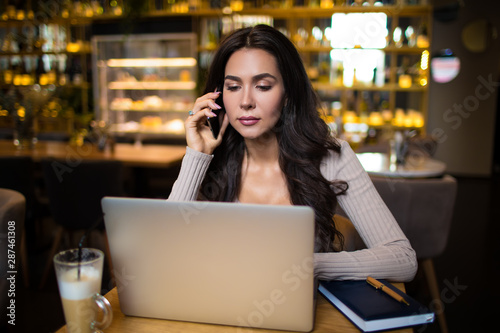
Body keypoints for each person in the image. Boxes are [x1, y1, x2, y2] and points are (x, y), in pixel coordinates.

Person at [168, 24, 417, 282]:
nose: (245, 101)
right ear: (218, 97)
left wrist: (310, 266)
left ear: (288, 94)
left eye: (263, 86)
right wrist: (196, 155)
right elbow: (163, 251)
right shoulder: (210, 161)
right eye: (233, 87)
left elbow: (403, 259)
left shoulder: (331, 156)